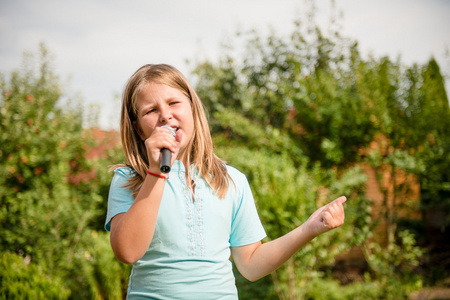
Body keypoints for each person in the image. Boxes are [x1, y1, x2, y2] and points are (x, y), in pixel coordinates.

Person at [105, 64, 347, 299]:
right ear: (138, 130)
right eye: (151, 110)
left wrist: (310, 228)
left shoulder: (232, 180)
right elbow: (127, 251)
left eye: (173, 103)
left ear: (192, 108)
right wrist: (156, 173)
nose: (165, 115)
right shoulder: (129, 180)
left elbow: (251, 264)